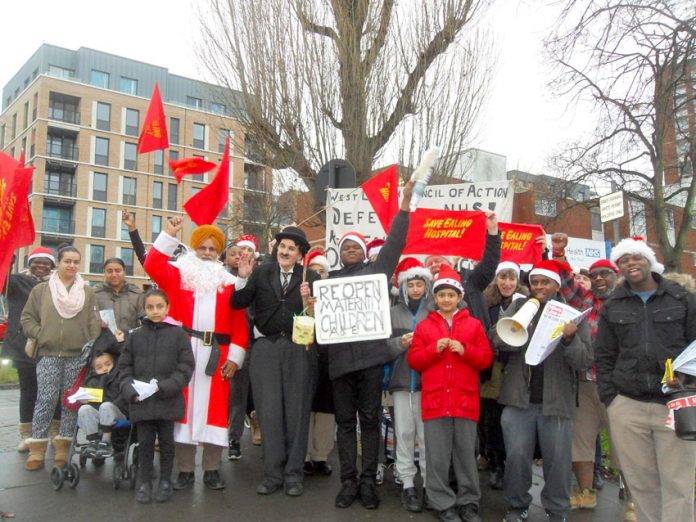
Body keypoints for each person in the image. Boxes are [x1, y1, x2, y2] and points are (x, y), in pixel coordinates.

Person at [595, 237, 696, 522]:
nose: (631, 264)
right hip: (628, 405)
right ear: (620, 267)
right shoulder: (613, 305)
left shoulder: (682, 298)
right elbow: (604, 354)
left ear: (649, 261)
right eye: (624, 260)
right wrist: (611, 399)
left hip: (676, 404)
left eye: (636, 257)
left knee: (679, 484)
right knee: (641, 484)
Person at [144, 218, 249, 491]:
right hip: (184, 351)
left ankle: (212, 469)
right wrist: (168, 234)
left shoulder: (229, 282)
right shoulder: (179, 274)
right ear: (193, 249)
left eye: (212, 249)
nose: (206, 253)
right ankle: (186, 470)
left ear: (219, 254)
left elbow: (240, 324)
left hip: (218, 354)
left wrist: (235, 358)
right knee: (184, 413)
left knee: (215, 412)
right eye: (201, 248)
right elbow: (152, 265)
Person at [328, 181, 413, 510]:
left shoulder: (377, 271)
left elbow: (395, 243)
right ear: (340, 251)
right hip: (340, 365)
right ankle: (347, 481)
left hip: (370, 362)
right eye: (346, 246)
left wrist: (404, 208)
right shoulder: (330, 281)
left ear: (364, 252)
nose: (351, 250)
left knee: (371, 420)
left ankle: (367, 481)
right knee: (346, 423)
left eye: (356, 246)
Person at [491, 260, 592, 522]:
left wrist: (570, 338)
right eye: (534, 282)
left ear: (556, 286)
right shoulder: (518, 306)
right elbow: (496, 340)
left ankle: (557, 509)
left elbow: (583, 361)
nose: (538, 287)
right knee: (516, 457)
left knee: (558, 462)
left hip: (557, 403)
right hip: (518, 399)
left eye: (544, 282)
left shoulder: (572, 314)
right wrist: (517, 332)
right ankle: (517, 505)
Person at [231, 226, 319, 497]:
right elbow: (237, 303)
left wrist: (309, 301)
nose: (285, 251)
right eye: (282, 246)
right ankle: (272, 474)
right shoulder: (260, 272)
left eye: (292, 248)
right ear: (276, 249)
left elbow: (322, 319)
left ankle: (293, 475)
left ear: (300, 254)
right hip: (265, 348)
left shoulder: (312, 277)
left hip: (299, 350)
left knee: (297, 412)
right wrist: (243, 279)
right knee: (268, 413)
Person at [408, 265, 494, 522]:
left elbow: (486, 359)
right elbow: (415, 360)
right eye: (441, 294)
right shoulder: (425, 327)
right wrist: (434, 349)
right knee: (437, 456)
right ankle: (441, 501)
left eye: (451, 294)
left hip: (464, 401)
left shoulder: (474, 325)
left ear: (459, 297)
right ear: (435, 298)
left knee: (466, 455)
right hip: (435, 402)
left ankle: (469, 501)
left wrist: (465, 350)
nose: (446, 299)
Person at [21, 246, 101, 471]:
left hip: (77, 356)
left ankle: (63, 447)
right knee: (45, 399)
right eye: (68, 261)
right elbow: (27, 318)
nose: (72, 266)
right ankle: (37, 448)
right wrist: (40, 333)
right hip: (48, 353)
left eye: (76, 262)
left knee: (70, 402)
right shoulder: (41, 290)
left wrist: (91, 347)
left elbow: (93, 323)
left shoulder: (87, 291)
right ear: (59, 262)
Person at [119, 288, 195, 503]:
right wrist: (129, 389)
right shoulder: (135, 336)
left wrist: (168, 386)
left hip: (166, 398)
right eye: (150, 307)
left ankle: (165, 480)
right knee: (144, 443)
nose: (155, 311)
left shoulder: (178, 334)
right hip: (142, 401)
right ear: (144, 309)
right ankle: (144, 482)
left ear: (168, 308)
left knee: (167, 443)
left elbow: (186, 366)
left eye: (159, 306)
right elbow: (124, 367)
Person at [386, 257, 433, 513]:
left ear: (426, 285)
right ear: (403, 287)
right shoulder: (393, 313)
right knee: (403, 434)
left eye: (419, 284)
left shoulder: (434, 312)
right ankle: (407, 484)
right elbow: (382, 350)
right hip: (402, 383)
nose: (415, 289)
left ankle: (427, 484)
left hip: (428, 385)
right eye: (411, 284)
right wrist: (399, 345)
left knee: (426, 436)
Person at [3, 248, 58, 453]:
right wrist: (8, 259)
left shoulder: (59, 284)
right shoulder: (15, 282)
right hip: (23, 347)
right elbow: (2, 279)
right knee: (28, 392)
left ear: (52, 265)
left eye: (46, 263)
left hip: (52, 346)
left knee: (53, 391)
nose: (41, 266)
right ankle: (27, 434)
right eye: (37, 262)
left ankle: (54, 431)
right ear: (29, 263)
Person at [480, 261, 528, 491]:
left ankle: (512, 462)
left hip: (515, 369)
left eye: (512, 279)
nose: (507, 283)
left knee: (512, 420)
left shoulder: (526, 304)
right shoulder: (486, 302)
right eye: (503, 278)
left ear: (518, 281)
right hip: (492, 369)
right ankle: (495, 463)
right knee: (491, 419)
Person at [303, 250, 335, 477]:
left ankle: (320, 456)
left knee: (325, 409)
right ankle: (303, 455)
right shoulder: (299, 294)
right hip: (304, 356)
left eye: (321, 271)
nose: (318, 275)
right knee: (304, 408)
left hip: (328, 358)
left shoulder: (335, 295)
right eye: (313, 270)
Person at [76, 335, 127, 459]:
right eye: (99, 367)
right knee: (84, 409)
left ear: (114, 363)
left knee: (106, 406)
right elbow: (88, 401)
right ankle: (93, 441)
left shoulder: (119, 376)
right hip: (98, 411)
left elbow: (122, 397)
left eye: (107, 364)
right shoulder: (92, 381)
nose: (104, 368)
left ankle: (106, 441)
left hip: (117, 410)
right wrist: (83, 401)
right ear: (94, 369)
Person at [93, 257, 144, 333]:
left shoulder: (136, 295)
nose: (114, 274)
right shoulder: (95, 294)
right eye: (109, 271)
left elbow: (145, 320)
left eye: (118, 271)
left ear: (124, 272)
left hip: (130, 342)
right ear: (104, 272)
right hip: (103, 342)